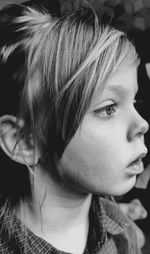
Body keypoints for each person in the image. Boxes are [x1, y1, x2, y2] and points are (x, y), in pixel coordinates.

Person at [0, 3, 149, 254]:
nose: (143, 124)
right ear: (24, 141)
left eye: (134, 102)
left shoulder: (122, 231)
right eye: (108, 108)